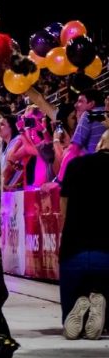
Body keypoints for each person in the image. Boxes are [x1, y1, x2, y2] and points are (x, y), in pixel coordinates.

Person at [58, 136, 109, 339]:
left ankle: (80, 305)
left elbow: (63, 208)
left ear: (99, 144)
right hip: (106, 255)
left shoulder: (75, 164)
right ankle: (101, 305)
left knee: (69, 321)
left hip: (73, 252)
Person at [69, 89, 106, 157]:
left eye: (80, 101)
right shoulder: (104, 112)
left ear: (91, 104)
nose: (75, 105)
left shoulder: (88, 115)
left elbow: (74, 149)